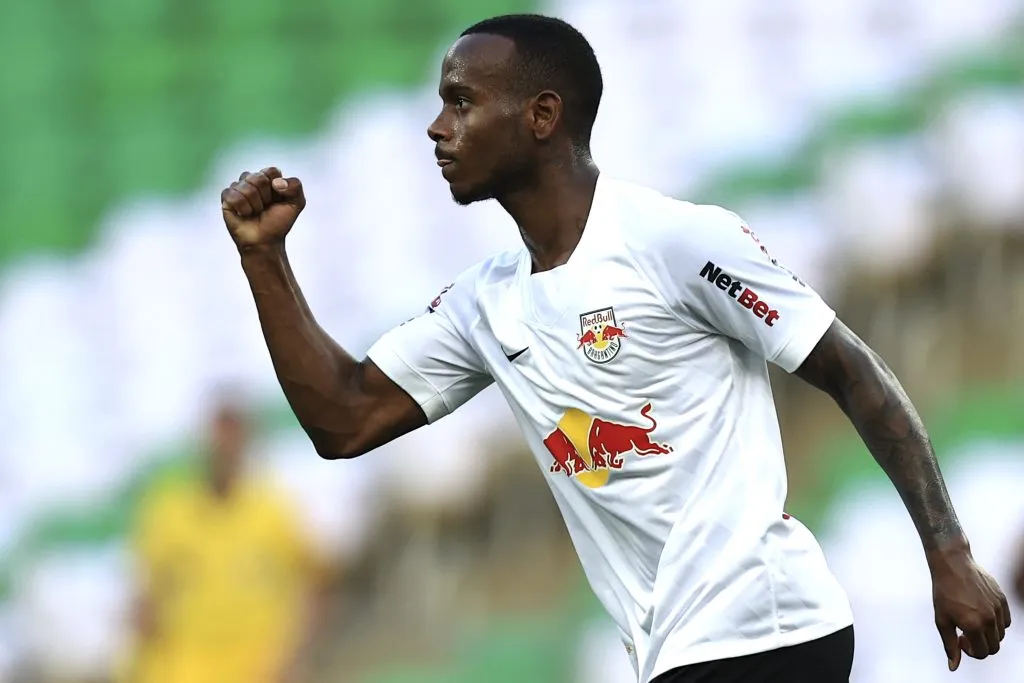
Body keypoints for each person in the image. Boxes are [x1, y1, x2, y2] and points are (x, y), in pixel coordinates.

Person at [219, 13, 1010, 683]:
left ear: (541, 115)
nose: (437, 127)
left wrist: (948, 554)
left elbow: (852, 370)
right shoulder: (484, 302)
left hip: (765, 629)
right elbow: (344, 418)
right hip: (674, 651)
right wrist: (263, 258)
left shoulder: (676, 241)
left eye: (461, 102)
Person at [120, 399, 327, 683]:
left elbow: (315, 582)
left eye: (231, 443)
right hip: (185, 665)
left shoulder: (274, 510)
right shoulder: (168, 510)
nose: (223, 452)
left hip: (257, 665)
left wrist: (294, 654)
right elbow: (145, 595)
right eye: (218, 442)